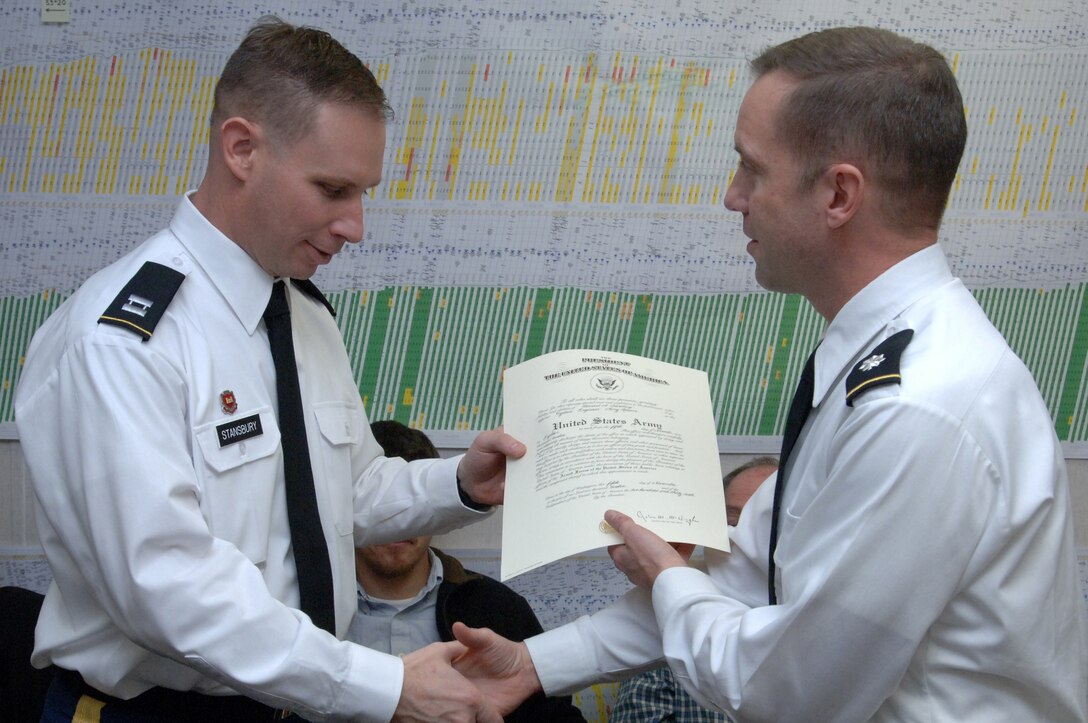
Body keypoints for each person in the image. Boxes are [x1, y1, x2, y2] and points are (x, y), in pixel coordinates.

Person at [449, 26, 1088, 722]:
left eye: (752, 168)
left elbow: (790, 692)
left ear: (839, 194)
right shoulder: (872, 365)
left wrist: (668, 577)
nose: (733, 196)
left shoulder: (920, 404)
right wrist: (534, 662)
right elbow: (743, 582)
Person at [14, 16, 524, 723]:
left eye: (362, 193)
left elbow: (345, 492)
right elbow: (172, 588)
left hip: (296, 701)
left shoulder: (303, 310)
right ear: (241, 149)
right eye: (333, 189)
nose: (356, 226)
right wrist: (383, 684)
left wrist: (459, 483)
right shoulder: (124, 340)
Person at [350, 420, 586, 722]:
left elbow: (553, 715)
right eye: (383, 508)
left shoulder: (497, 608)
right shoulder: (304, 611)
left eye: (410, 508)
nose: (399, 523)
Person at [609, 457, 777, 723]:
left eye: (766, 527)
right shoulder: (667, 630)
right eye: (733, 521)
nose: (745, 541)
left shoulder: (824, 628)